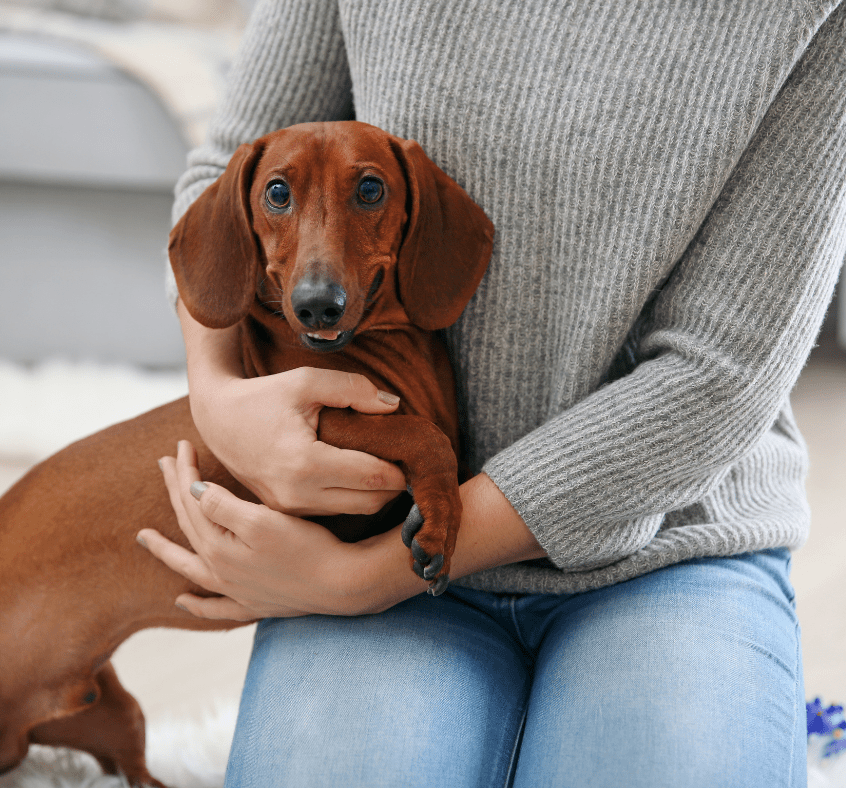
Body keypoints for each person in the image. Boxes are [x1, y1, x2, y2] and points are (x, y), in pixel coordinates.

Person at [136, 1, 846, 785]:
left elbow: (719, 371)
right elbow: (231, 173)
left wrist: (371, 577)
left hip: (671, 542)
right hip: (380, 517)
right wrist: (218, 395)